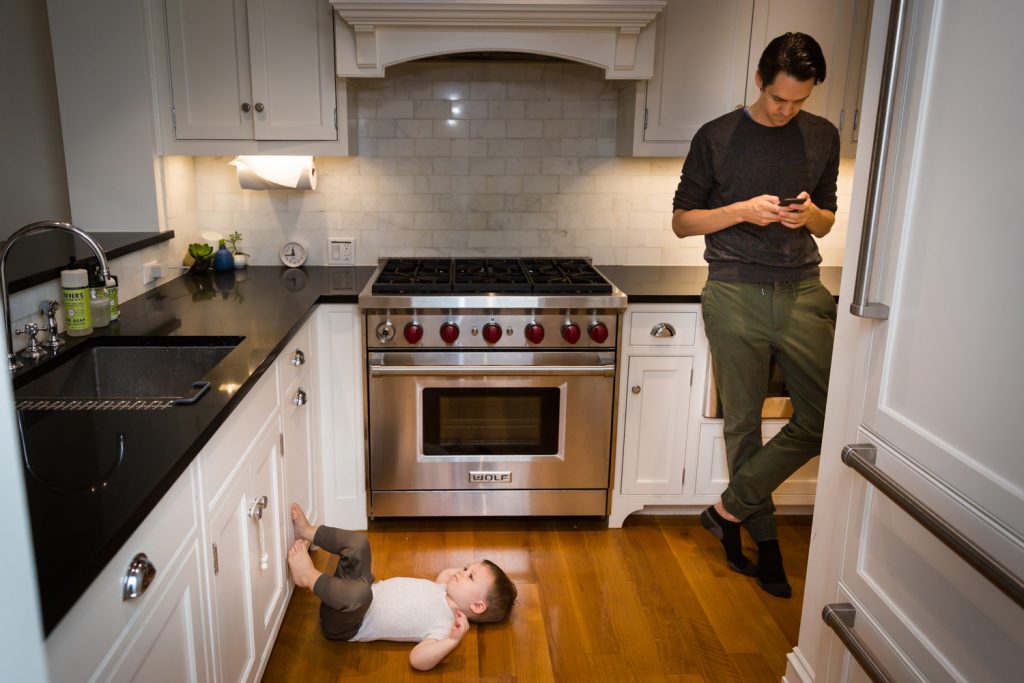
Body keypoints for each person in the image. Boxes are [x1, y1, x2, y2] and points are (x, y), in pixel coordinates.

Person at [671, 32, 839, 598]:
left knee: (823, 420)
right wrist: (741, 210)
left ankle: (727, 510)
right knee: (742, 424)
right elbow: (683, 221)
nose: (788, 111)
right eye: (778, 100)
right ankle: (763, 542)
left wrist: (810, 214)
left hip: (802, 291)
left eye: (800, 102)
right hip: (736, 291)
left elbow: (828, 220)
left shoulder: (823, 135)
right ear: (760, 81)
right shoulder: (716, 136)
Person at [286, 504, 518, 671]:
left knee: (361, 594)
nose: (461, 571)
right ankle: (307, 532)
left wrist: (452, 641)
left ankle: (308, 576)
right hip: (351, 591)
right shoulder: (442, 589)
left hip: (346, 621)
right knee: (359, 544)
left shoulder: (444, 627)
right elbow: (446, 574)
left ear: (477, 606)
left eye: (470, 576)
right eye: (467, 567)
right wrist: (463, 577)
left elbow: (418, 660)